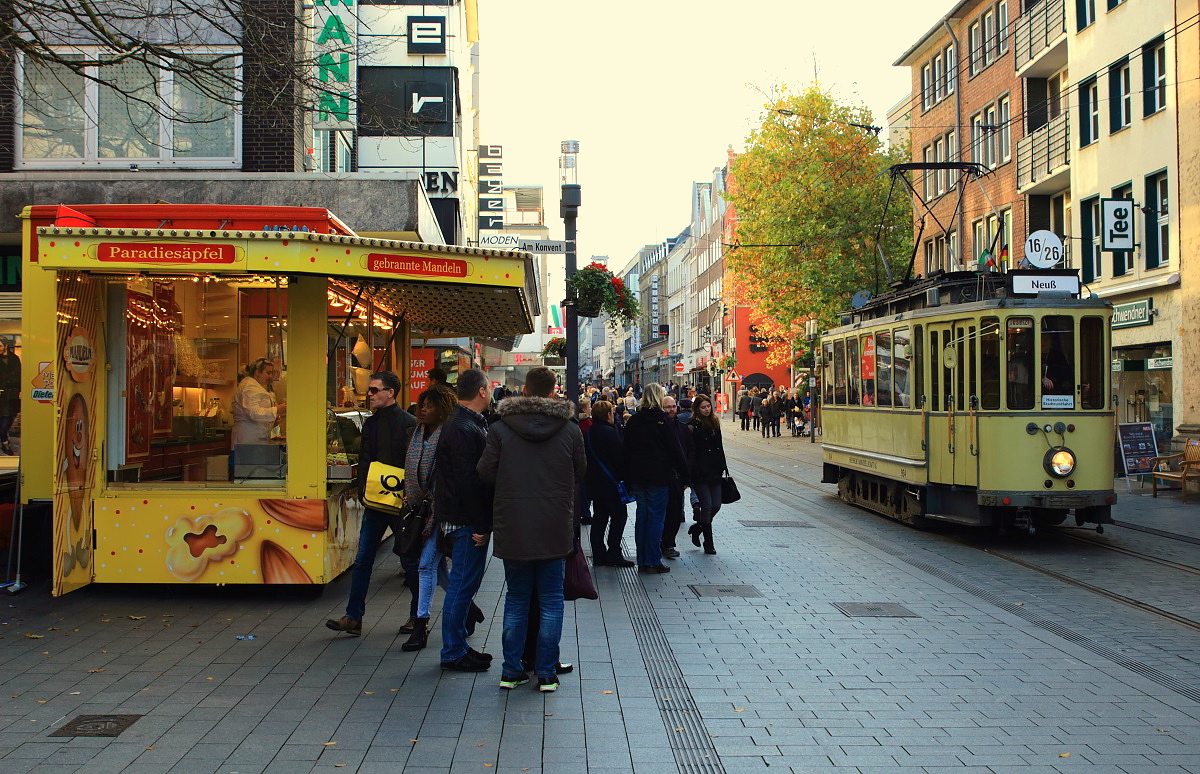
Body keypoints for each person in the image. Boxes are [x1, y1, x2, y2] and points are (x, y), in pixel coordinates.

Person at [477, 367, 585, 692]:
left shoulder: (500, 428)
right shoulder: (569, 430)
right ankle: (547, 674)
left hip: (514, 525)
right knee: (552, 600)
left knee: (517, 599)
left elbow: (484, 472)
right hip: (554, 526)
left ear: (524, 390)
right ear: (553, 392)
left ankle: (511, 671)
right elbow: (580, 472)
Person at [326, 371, 416, 636]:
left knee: (409, 559)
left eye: (375, 390)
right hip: (375, 502)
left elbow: (412, 463)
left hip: (400, 504)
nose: (370, 394)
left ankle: (417, 616)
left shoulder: (408, 423)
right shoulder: (371, 424)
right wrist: (364, 490)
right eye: (370, 390)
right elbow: (365, 459)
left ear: (390, 392)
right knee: (363, 559)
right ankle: (353, 616)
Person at [434, 368, 495, 672]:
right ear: (482, 391)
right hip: (465, 521)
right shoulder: (462, 427)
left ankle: (457, 645)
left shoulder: (466, 423)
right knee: (461, 585)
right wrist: (481, 524)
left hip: (463, 517)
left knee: (463, 584)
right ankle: (453, 651)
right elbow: (467, 481)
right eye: (489, 387)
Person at [399, 384, 457, 651]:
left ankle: (420, 627)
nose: (422, 409)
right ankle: (470, 609)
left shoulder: (449, 437)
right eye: (421, 404)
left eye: (429, 405)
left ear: (442, 409)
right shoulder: (416, 434)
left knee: (424, 566)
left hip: (440, 513)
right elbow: (410, 472)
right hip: (417, 510)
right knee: (439, 569)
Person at [622, 384, 688, 574]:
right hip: (659, 477)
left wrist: (627, 479)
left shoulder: (635, 421)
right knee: (656, 518)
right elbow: (676, 450)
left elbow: (626, 451)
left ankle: (642, 560)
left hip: (638, 478)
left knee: (642, 517)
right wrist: (686, 476)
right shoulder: (663, 421)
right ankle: (652, 560)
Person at [586, 400, 633, 567]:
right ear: (608, 415)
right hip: (611, 484)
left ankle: (598, 554)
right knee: (619, 517)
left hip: (595, 484)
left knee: (600, 519)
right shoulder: (610, 432)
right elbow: (619, 459)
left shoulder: (590, 432)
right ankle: (614, 552)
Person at [686, 394, 727, 555]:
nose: (706, 409)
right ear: (697, 409)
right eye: (703, 407)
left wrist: (723, 464)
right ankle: (708, 543)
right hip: (700, 472)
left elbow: (719, 445)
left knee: (716, 505)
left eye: (708, 406)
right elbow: (690, 450)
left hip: (715, 471)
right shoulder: (691, 426)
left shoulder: (715, 422)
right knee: (707, 506)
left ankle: (698, 528)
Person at [231, 357, 285, 447]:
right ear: (257, 372)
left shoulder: (255, 387)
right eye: (268, 373)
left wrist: (272, 422)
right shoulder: (249, 388)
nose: (270, 377)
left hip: (254, 440)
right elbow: (253, 413)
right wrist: (277, 410)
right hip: (247, 441)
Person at [659, 395, 687, 560]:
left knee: (675, 512)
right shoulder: (661, 426)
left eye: (673, 406)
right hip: (662, 476)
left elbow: (689, 450)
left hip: (677, 477)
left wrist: (686, 474)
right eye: (667, 407)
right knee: (662, 512)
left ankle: (669, 543)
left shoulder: (682, 427)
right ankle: (662, 542)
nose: (671, 410)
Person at [0, 337, 20, 455]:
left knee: (8, 417)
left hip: (12, 394)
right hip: (1, 393)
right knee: (2, 418)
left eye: (0, 346)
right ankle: (5, 442)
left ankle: (4, 437)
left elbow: (19, 375)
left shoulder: (14, 359)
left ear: (6, 346)